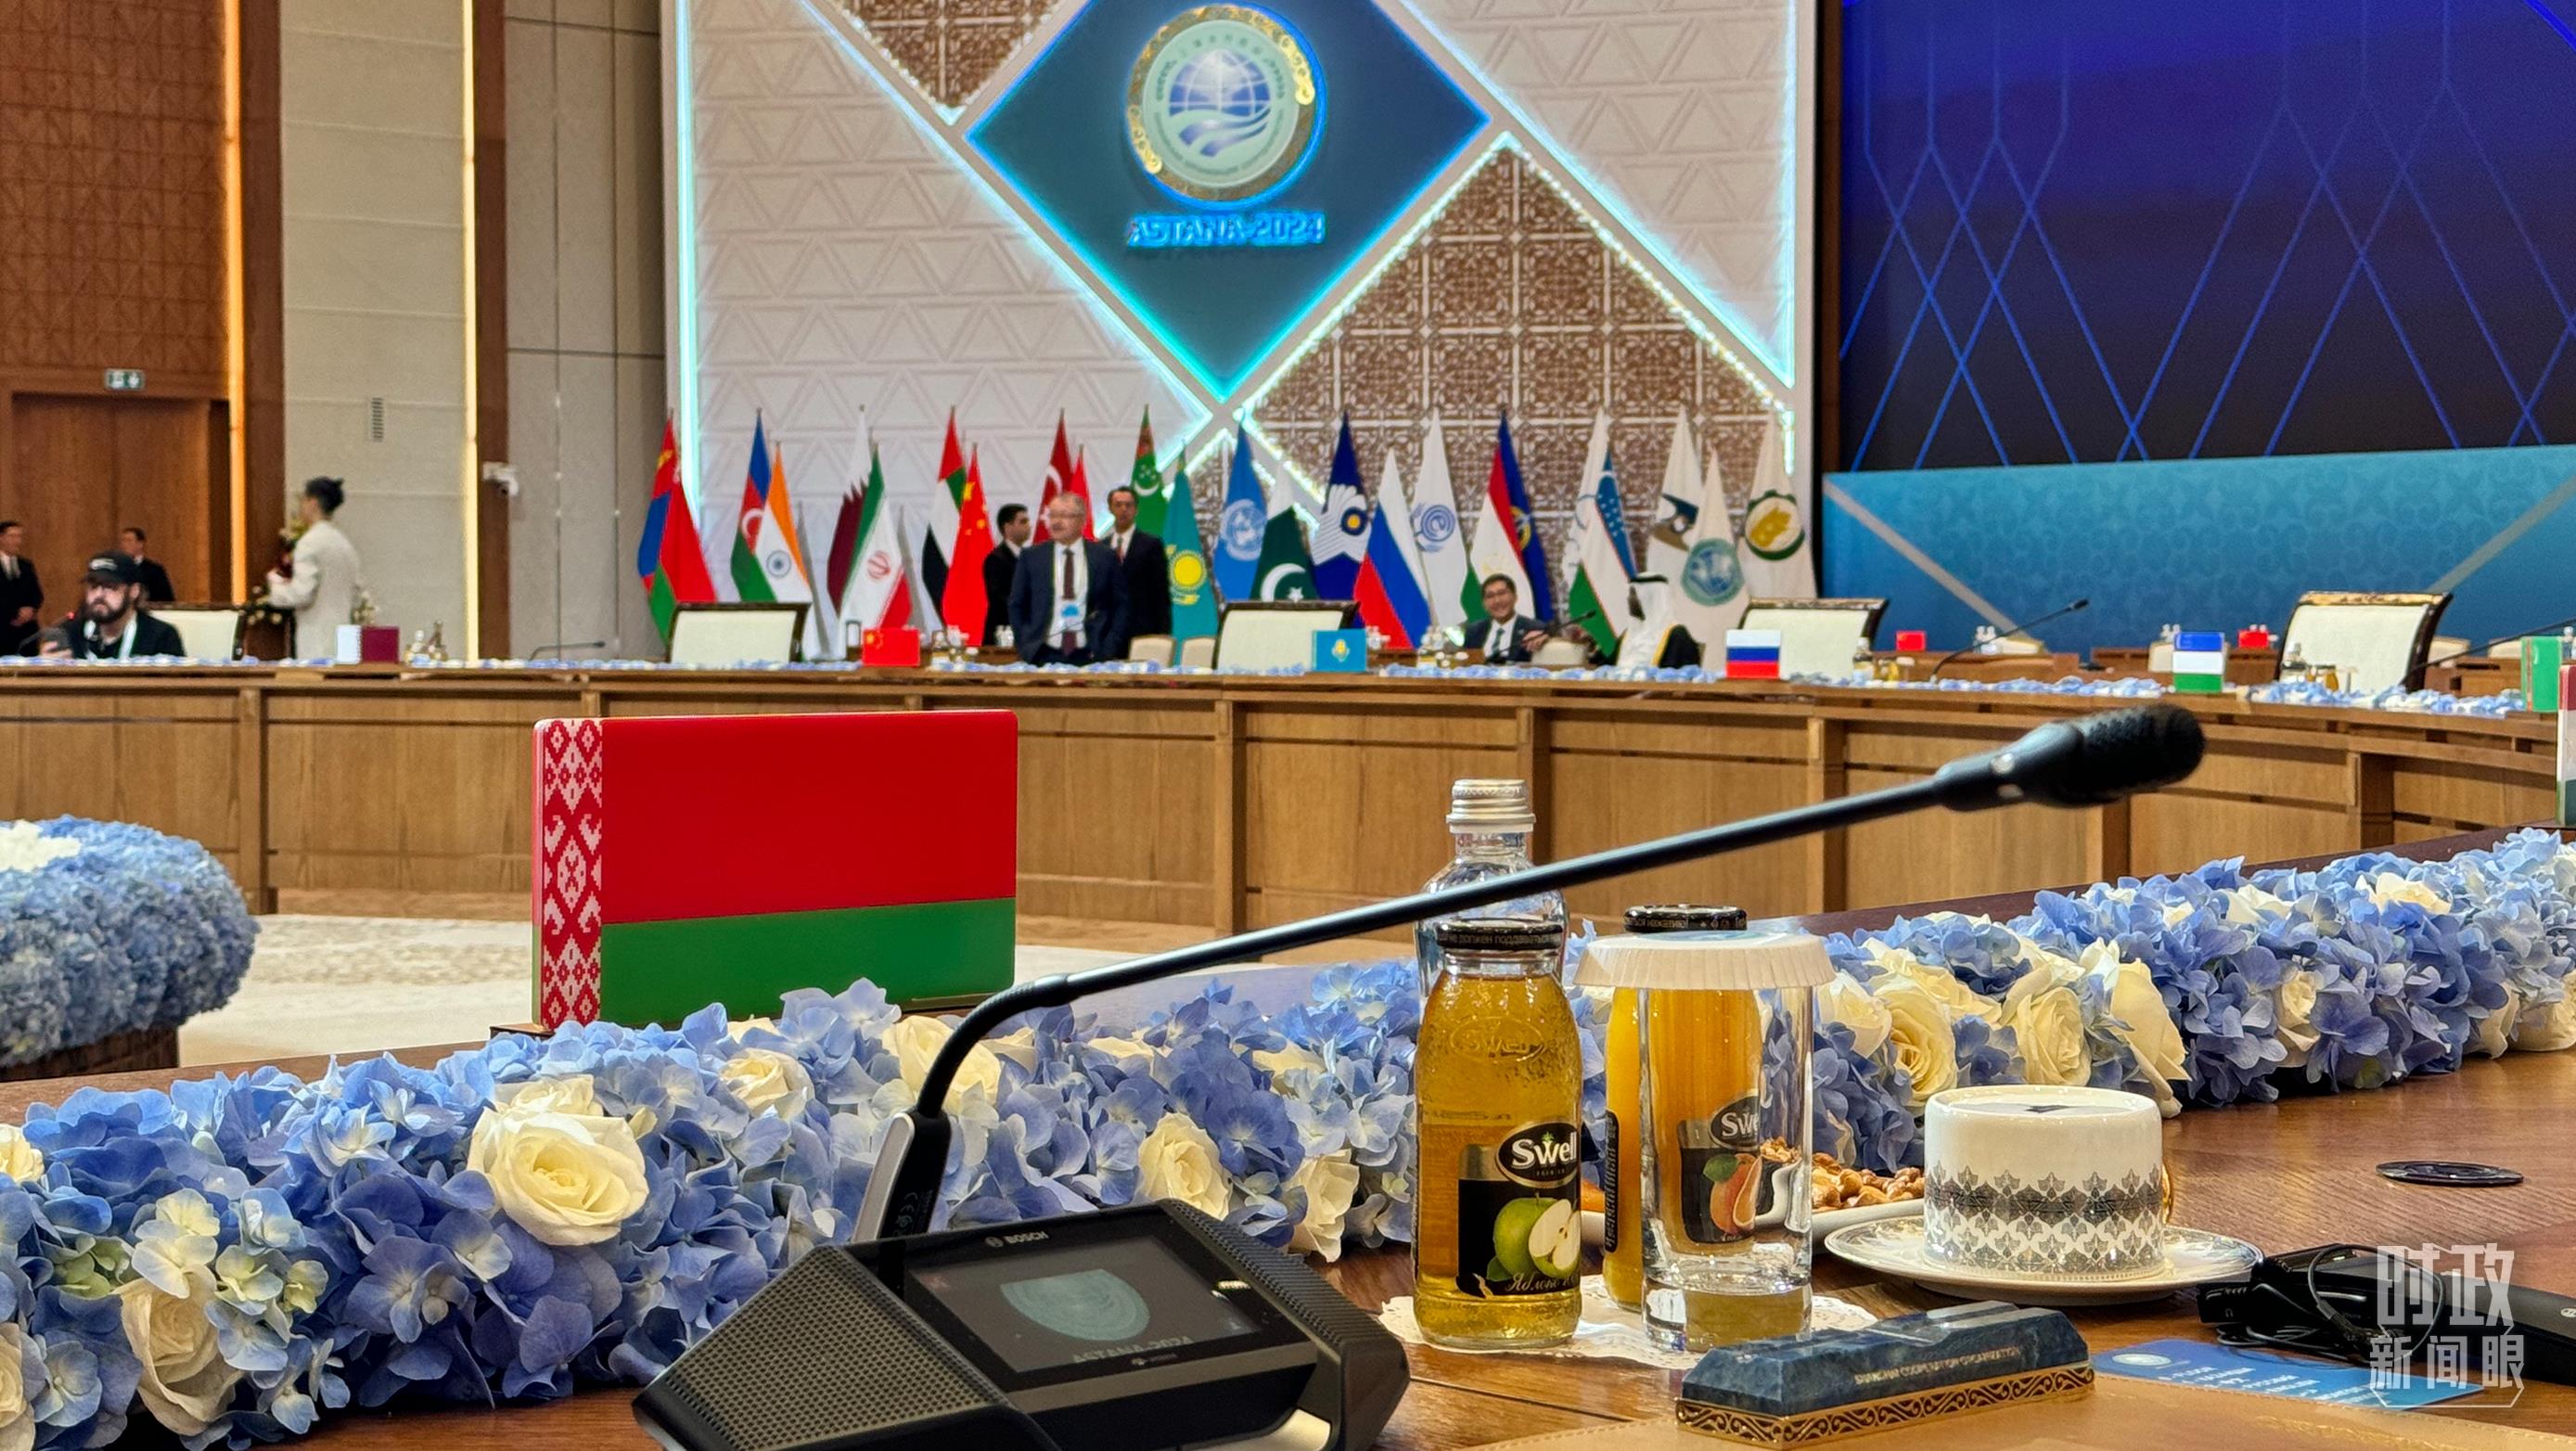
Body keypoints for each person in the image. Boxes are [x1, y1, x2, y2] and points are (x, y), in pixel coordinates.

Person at [1009, 494, 1130, 666]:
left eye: (1064, 516)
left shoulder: (1105, 557)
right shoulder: (1032, 557)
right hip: (1042, 654)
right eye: (1052, 515)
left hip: (1091, 655)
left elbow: (1121, 605)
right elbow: (1016, 605)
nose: (1056, 522)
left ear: (1082, 520)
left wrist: (1108, 648)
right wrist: (1025, 645)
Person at [263, 477, 364, 652]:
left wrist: (275, 588)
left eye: (303, 500)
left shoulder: (310, 543)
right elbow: (357, 595)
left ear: (312, 503)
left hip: (316, 639)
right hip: (345, 639)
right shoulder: (344, 544)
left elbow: (302, 593)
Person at [70, 553, 185, 659]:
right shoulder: (69, 633)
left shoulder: (161, 637)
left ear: (134, 591)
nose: (99, 595)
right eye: (93, 586)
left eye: (110, 587)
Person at [1104, 485, 1171, 639]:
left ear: (1136, 510)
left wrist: (1163, 634)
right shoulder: (1101, 547)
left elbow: (1161, 594)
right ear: (1110, 509)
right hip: (1109, 634)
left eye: (1128, 505)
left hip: (1143, 631)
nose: (1123, 509)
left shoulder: (1151, 544)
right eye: (1118, 505)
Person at [1460, 574, 1549, 664]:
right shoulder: (1473, 631)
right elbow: (1465, 663)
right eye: (1490, 596)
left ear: (1515, 597)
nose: (1497, 601)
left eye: (1502, 593)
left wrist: (1547, 639)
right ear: (1484, 604)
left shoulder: (1534, 628)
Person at [981, 503, 1032, 648]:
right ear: (1007, 527)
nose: (1029, 526)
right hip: (1004, 634)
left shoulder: (1030, 557)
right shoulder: (996, 559)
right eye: (1023, 522)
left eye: (1028, 521)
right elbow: (999, 598)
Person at [0, 521, 41, 655]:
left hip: (26, 631)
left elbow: (37, 594)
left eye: (19, 537)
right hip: (3, 628)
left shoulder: (25, 565)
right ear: (1, 538)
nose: (17, 541)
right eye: (12, 536)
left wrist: (30, 609)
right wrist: (14, 614)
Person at [118, 527, 175, 603]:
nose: (124, 545)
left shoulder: (154, 570)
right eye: (123, 541)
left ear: (140, 544)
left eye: (129, 541)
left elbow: (166, 600)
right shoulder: (117, 568)